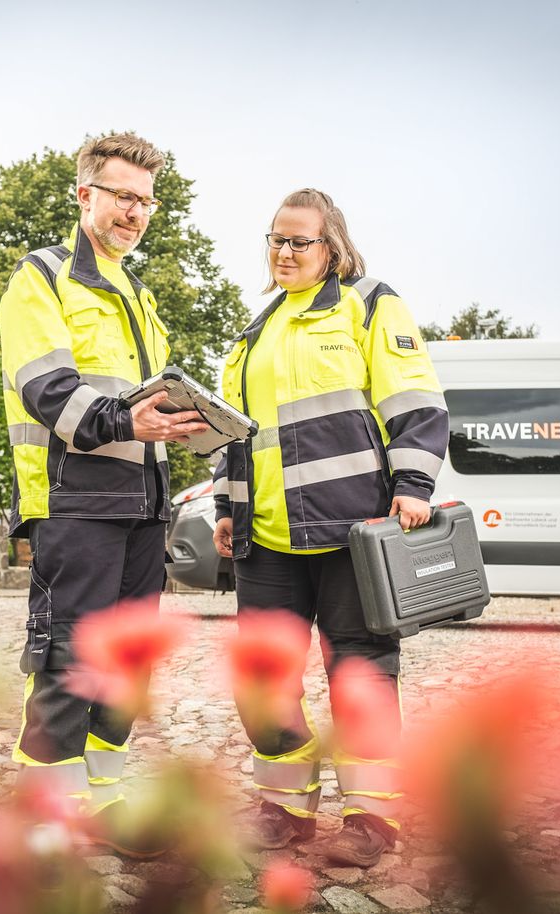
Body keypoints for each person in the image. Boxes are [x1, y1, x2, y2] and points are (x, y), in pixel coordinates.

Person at [212, 188, 448, 867]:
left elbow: (414, 398)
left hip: (355, 529)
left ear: (331, 247)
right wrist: (229, 511)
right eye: (276, 240)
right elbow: (239, 438)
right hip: (270, 539)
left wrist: (413, 486)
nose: (284, 252)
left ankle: (372, 818)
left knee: (361, 676)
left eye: (299, 241)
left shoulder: (370, 305)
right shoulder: (253, 333)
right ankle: (285, 809)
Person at [0, 132, 207, 855]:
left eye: (146, 202)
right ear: (84, 194)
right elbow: (45, 388)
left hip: (144, 504)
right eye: (124, 196)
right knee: (66, 657)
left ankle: (105, 801)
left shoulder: (139, 295)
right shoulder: (42, 277)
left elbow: (141, 399)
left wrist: (183, 422)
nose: (136, 213)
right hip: (76, 502)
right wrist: (129, 419)